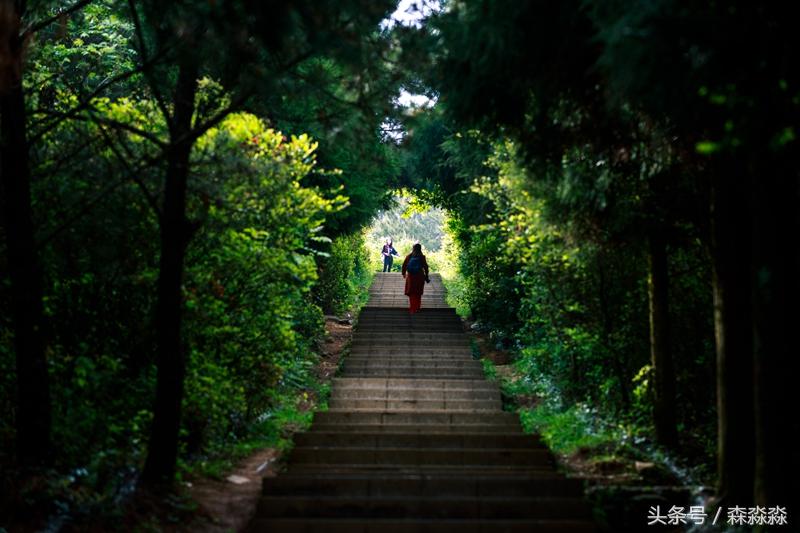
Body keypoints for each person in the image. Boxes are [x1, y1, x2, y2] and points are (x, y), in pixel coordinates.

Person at [401, 243, 430, 314]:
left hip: (411, 277)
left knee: (412, 293)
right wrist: (426, 275)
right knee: (418, 293)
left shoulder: (409, 256)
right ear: (420, 249)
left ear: (413, 248)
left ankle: (412, 309)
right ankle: (417, 308)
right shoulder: (422, 257)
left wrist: (404, 273)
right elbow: (426, 267)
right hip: (419, 276)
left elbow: (404, 265)